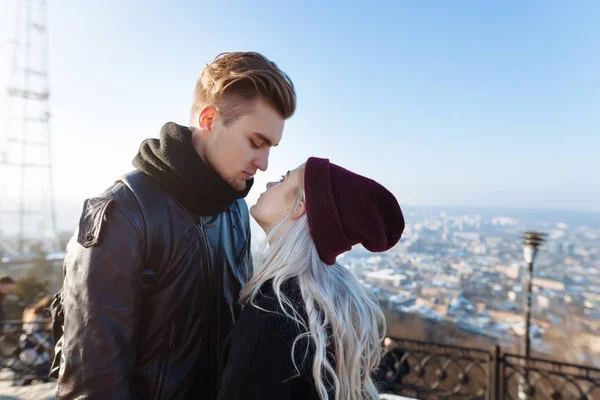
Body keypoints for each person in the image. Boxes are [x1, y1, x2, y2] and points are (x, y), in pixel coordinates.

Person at [54, 52, 296, 399]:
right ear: (209, 118)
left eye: (270, 147)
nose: (263, 163)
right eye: (255, 143)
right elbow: (92, 379)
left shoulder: (235, 211)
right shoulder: (124, 213)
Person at [217, 157, 405, 400]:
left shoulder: (274, 316)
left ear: (298, 207)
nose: (269, 183)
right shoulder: (317, 308)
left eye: (284, 179)